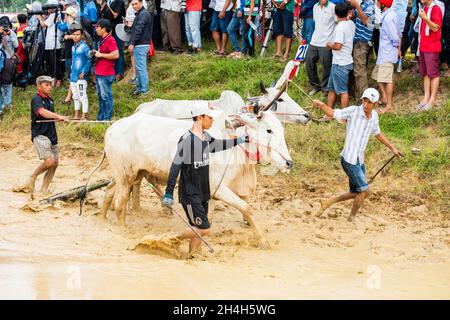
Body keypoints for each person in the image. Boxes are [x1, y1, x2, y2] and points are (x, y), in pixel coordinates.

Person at [161, 103, 248, 254]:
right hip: (190, 193)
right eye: (209, 118)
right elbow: (175, 166)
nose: (212, 121)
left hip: (203, 191)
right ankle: (172, 238)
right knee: (204, 229)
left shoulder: (205, 136)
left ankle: (193, 256)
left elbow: (216, 145)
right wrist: (168, 192)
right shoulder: (187, 140)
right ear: (200, 118)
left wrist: (238, 141)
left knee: (198, 229)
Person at [313, 88, 403, 222]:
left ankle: (328, 202)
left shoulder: (374, 117)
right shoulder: (353, 111)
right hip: (349, 159)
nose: (366, 105)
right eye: (364, 101)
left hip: (359, 160)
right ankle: (351, 218)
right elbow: (333, 113)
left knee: (356, 191)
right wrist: (322, 106)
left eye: (369, 102)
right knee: (365, 191)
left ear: (376, 104)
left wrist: (393, 148)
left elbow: (377, 133)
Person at [25, 76, 68, 194]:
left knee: (55, 164)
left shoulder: (50, 100)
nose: (50, 87)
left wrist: (58, 118)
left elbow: (49, 115)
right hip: (40, 134)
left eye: (50, 85)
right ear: (39, 86)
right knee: (49, 161)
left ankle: (44, 189)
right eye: (46, 85)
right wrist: (58, 116)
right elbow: (42, 112)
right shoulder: (36, 99)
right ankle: (33, 176)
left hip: (51, 134)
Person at [371, 0, 400, 113]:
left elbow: (395, 37)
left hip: (387, 52)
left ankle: (389, 106)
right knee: (377, 76)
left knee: (387, 80)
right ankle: (384, 97)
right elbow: (378, 26)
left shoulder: (388, 18)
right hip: (383, 53)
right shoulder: (387, 15)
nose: (376, 3)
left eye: (378, 1)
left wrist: (396, 47)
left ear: (382, 4)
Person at [325, 1, 355, 110]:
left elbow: (338, 46)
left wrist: (329, 45)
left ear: (335, 14)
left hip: (340, 63)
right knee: (331, 88)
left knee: (343, 91)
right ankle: (328, 112)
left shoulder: (340, 27)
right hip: (343, 61)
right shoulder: (351, 24)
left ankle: (343, 117)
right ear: (348, 12)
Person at [416, 0, 443, 111]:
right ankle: (426, 98)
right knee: (425, 74)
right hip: (423, 45)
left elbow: (436, 28)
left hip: (432, 46)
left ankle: (432, 100)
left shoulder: (436, 8)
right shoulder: (425, 8)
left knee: (433, 74)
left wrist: (425, 18)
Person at [305, 0, 336, 96]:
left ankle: (325, 89)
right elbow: (316, 24)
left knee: (326, 66)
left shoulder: (333, 7)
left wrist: (334, 41)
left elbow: (338, 23)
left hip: (327, 42)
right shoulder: (315, 6)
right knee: (309, 62)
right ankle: (316, 86)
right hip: (314, 41)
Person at [93, 19, 119, 121]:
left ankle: (107, 118)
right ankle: (101, 117)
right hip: (100, 72)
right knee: (100, 96)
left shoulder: (110, 40)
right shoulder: (103, 39)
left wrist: (101, 55)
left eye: (97, 27)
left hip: (106, 73)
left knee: (106, 96)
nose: (96, 29)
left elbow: (116, 55)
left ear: (104, 29)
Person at [350, 0, 375, 99]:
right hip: (357, 40)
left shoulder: (369, 4)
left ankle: (363, 97)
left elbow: (365, 21)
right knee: (356, 69)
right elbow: (356, 17)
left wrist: (356, 5)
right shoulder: (362, 3)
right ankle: (357, 94)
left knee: (360, 70)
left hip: (363, 41)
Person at [37, 0, 64, 87]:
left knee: (54, 63)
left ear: (53, 8)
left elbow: (43, 24)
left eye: (49, 7)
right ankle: (54, 79)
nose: (47, 9)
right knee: (52, 63)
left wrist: (39, 18)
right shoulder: (54, 15)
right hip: (51, 43)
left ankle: (58, 80)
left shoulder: (54, 15)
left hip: (53, 43)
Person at [128, 0, 152, 95]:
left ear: (141, 3)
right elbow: (137, 28)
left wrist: (132, 43)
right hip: (140, 43)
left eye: (136, 4)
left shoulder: (143, 14)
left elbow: (138, 29)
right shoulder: (140, 13)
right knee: (139, 68)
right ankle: (139, 89)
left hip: (141, 44)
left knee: (141, 68)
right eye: (132, 4)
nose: (134, 6)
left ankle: (144, 91)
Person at [69, 24, 91, 119]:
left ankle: (84, 116)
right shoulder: (73, 47)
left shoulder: (85, 47)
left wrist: (84, 72)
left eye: (77, 34)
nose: (75, 36)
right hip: (73, 76)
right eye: (74, 34)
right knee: (75, 97)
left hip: (81, 77)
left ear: (82, 36)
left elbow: (90, 59)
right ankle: (76, 116)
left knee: (82, 96)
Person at [0, 18, 18, 113]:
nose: (5, 28)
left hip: (8, 62)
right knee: (1, 83)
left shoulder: (12, 33)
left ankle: (8, 102)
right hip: (0, 60)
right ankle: (2, 103)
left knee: (8, 83)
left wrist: (10, 35)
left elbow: (16, 45)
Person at [109, 0, 127, 80]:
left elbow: (115, 15)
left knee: (119, 50)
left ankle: (120, 72)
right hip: (111, 29)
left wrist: (107, 7)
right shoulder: (111, 2)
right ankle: (115, 71)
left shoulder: (119, 1)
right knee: (113, 50)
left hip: (118, 28)